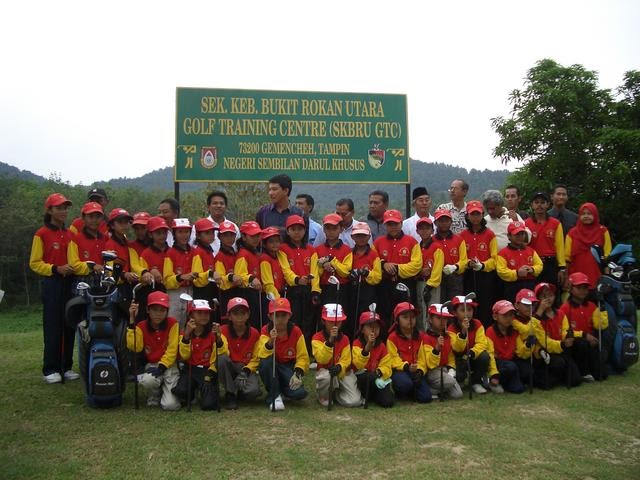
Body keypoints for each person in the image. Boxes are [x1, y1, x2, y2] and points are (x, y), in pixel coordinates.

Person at [29, 193, 79, 384]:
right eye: (59, 208)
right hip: (52, 282)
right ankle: (50, 368)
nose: (63, 211)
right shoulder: (41, 234)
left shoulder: (70, 234)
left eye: (65, 208)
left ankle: (66, 367)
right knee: (53, 326)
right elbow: (34, 263)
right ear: (49, 210)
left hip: (70, 282)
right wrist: (55, 269)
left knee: (69, 324)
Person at [127, 291, 180, 410]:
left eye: (162, 310)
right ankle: (154, 394)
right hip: (152, 364)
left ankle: (165, 390)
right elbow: (135, 347)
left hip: (169, 365)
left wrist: (162, 367)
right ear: (147, 310)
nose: (158, 314)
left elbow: (172, 350)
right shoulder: (140, 326)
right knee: (147, 381)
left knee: (170, 406)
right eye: (155, 310)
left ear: (167, 311)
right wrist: (132, 320)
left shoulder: (173, 323)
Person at [173, 298, 227, 411]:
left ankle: (203, 392)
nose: (204, 316)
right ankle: (192, 393)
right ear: (191, 315)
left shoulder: (214, 331)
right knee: (181, 391)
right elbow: (184, 356)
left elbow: (223, 353)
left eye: (206, 313)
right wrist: (187, 336)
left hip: (207, 370)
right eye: (199, 313)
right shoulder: (184, 333)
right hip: (190, 369)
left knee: (208, 405)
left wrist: (218, 338)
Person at [257, 297, 309, 411]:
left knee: (299, 394)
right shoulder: (266, 330)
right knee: (266, 363)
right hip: (272, 366)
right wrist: (271, 340)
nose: (280, 319)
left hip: (287, 367)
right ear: (270, 317)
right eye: (276, 315)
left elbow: (303, 357)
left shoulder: (296, 331)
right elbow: (261, 355)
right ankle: (274, 396)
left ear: (289, 315)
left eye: (283, 315)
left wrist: (298, 372)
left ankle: (279, 390)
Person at [279, 215, 320, 353]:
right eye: (293, 229)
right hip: (292, 290)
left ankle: (306, 351)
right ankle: (292, 349)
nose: (297, 232)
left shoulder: (310, 249)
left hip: (308, 290)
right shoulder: (282, 249)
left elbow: (314, 271)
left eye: (300, 229)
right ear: (288, 231)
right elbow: (285, 270)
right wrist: (296, 279)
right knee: (293, 320)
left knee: (308, 321)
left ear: (305, 231)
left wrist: (315, 291)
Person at [374, 209, 422, 326]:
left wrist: (396, 268)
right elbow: (372, 262)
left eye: (396, 223)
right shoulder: (378, 242)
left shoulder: (411, 242)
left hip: (406, 284)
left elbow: (416, 265)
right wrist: (383, 264)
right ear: (385, 225)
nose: (393, 227)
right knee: (385, 317)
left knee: (405, 316)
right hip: (384, 285)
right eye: (390, 224)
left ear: (401, 223)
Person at [558, 272, 609, 382]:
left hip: (592, 342)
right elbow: (563, 330)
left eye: (585, 287)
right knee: (581, 344)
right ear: (571, 289)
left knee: (602, 375)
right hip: (575, 344)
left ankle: (591, 369)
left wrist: (603, 308)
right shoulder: (565, 308)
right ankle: (583, 372)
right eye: (579, 287)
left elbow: (601, 326)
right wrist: (585, 336)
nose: (583, 290)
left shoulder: (592, 305)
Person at [533, 282, 582, 388]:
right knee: (557, 366)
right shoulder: (535, 318)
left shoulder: (560, 313)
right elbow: (543, 341)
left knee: (575, 380)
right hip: (545, 353)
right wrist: (540, 310)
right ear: (538, 299)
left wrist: (568, 339)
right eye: (544, 296)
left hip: (561, 349)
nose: (548, 299)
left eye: (550, 295)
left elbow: (565, 331)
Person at [312, 303, 361, 407]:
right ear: (323, 321)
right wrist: (329, 342)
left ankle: (335, 394)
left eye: (338, 322)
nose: (335, 325)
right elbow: (322, 359)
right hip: (325, 371)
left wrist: (340, 367)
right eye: (331, 322)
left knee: (354, 401)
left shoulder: (345, 339)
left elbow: (346, 359)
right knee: (326, 377)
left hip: (342, 373)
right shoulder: (316, 337)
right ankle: (323, 395)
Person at [219, 297, 262, 410]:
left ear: (248, 315)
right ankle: (230, 394)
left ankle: (241, 392)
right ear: (229, 316)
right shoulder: (222, 330)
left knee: (254, 392)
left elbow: (256, 357)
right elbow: (223, 351)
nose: (240, 316)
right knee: (221, 359)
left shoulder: (254, 333)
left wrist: (246, 370)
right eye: (235, 313)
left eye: (243, 313)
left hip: (245, 367)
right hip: (229, 365)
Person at [460, 200, 498, 328]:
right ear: (467, 216)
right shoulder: (463, 235)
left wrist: (482, 265)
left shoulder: (490, 235)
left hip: (486, 275)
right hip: (468, 275)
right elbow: (461, 258)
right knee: (469, 306)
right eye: (472, 214)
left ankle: (486, 334)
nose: (475, 217)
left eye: (478, 214)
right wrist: (467, 263)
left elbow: (494, 259)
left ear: (482, 215)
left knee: (486, 306)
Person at [387, 302, 432, 403]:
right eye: (405, 317)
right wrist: (406, 366)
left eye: (413, 317)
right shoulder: (392, 337)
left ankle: (412, 391)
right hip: (400, 371)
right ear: (397, 320)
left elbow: (423, 358)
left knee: (426, 398)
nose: (410, 320)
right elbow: (393, 359)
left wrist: (420, 371)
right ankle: (401, 391)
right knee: (404, 384)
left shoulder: (422, 336)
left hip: (416, 371)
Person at [448, 295, 491, 394]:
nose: (467, 313)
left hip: (472, 356)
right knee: (459, 376)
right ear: (455, 313)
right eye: (463, 310)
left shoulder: (478, 324)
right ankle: (460, 380)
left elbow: (482, 343)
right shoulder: (451, 328)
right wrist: (463, 333)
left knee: (484, 357)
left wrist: (471, 353)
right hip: (458, 359)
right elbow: (457, 349)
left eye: (470, 310)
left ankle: (476, 382)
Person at [346, 222, 382, 339]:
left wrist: (366, 273)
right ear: (352, 237)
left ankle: (367, 345)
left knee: (368, 319)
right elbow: (344, 270)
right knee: (351, 319)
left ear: (369, 236)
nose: (361, 238)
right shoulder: (349, 253)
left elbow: (377, 277)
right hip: (352, 290)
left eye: (363, 235)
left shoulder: (373, 254)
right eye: (358, 236)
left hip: (368, 291)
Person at [352, 311, 394, 408]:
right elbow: (358, 365)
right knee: (367, 377)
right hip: (361, 377)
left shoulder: (382, 346)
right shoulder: (356, 343)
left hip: (377, 377)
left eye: (377, 327)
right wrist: (366, 349)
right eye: (370, 326)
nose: (374, 330)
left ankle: (373, 395)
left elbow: (387, 366)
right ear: (362, 329)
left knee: (388, 402)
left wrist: (379, 372)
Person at [485, 300, 529, 394]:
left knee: (524, 377)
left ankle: (504, 382)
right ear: (495, 316)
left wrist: (528, 345)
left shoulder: (514, 331)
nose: (509, 318)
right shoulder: (490, 331)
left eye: (511, 315)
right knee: (511, 367)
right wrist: (494, 374)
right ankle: (492, 380)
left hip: (510, 362)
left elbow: (521, 352)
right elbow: (490, 354)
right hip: (496, 363)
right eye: (505, 315)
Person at [525, 191, 566, 289]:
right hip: (532, 264)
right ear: (532, 205)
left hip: (550, 265)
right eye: (536, 202)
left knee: (551, 293)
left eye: (543, 202)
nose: (539, 205)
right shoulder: (526, 223)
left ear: (548, 204)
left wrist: (562, 268)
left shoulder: (556, 223)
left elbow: (560, 247)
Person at [565, 203, 612, 290]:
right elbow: (567, 257)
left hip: (597, 273)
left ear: (595, 215)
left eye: (589, 213)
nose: (586, 216)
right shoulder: (572, 233)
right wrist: (566, 276)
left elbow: (607, 253)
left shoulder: (602, 231)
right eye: (583, 214)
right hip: (576, 272)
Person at [423, 304, 463, 400]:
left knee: (458, 394)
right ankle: (429, 388)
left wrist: (451, 369)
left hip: (445, 370)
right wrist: (436, 349)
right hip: (432, 371)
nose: (442, 321)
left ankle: (434, 390)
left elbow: (452, 355)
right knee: (451, 381)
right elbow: (430, 364)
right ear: (430, 320)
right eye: (438, 317)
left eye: (445, 318)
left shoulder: (449, 336)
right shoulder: (426, 338)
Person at [496, 221, 543, 302]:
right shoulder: (502, 253)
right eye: (516, 234)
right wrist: (517, 273)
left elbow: (539, 265)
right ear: (509, 236)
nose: (520, 236)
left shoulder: (531, 251)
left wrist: (532, 269)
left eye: (522, 234)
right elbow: (501, 271)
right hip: (512, 287)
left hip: (529, 285)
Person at [163, 218, 197, 328]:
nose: (184, 235)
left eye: (186, 232)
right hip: (175, 292)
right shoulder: (170, 253)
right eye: (180, 232)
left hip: (191, 290)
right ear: (174, 233)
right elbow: (167, 280)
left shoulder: (194, 251)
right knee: (174, 322)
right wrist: (181, 277)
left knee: (190, 321)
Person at [234, 221, 266, 329]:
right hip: (247, 294)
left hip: (256, 294)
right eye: (252, 236)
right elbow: (239, 276)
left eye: (258, 235)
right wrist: (251, 278)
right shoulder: (243, 254)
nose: (256, 238)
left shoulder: (254, 252)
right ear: (243, 236)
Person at [315, 213, 352, 306]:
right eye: (327, 228)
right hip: (323, 287)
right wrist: (322, 265)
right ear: (323, 229)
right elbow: (315, 272)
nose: (331, 231)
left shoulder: (347, 250)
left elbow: (346, 271)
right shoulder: (318, 249)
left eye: (334, 228)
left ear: (341, 229)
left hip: (341, 288)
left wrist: (332, 261)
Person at [67, 202, 108, 282]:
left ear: (102, 218)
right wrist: (91, 266)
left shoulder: (106, 239)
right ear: (83, 218)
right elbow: (73, 265)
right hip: (82, 281)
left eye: (98, 217)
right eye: (90, 216)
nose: (94, 220)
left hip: (103, 280)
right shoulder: (76, 239)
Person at [433, 208, 467, 303]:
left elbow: (464, 261)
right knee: (439, 307)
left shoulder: (459, 240)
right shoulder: (431, 241)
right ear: (435, 223)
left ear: (451, 222)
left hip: (455, 278)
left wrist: (455, 267)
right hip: (437, 278)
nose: (444, 223)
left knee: (455, 307)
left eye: (446, 220)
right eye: (441, 221)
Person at [415, 217, 444, 329]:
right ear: (417, 231)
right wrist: (419, 273)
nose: (424, 231)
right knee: (421, 310)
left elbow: (437, 271)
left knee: (432, 311)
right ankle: (423, 336)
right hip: (419, 282)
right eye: (421, 229)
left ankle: (432, 336)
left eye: (427, 228)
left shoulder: (437, 247)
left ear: (432, 230)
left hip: (432, 286)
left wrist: (430, 286)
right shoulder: (417, 247)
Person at [191, 191, 240, 255]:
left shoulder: (233, 226)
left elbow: (237, 249)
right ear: (208, 207)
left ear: (226, 207)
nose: (218, 206)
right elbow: (192, 247)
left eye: (221, 203)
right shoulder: (199, 226)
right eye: (215, 203)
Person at [214, 220, 244, 320]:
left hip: (237, 292)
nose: (229, 238)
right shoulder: (219, 257)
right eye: (225, 235)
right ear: (219, 237)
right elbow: (220, 282)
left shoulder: (235, 253)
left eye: (231, 235)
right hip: (226, 295)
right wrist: (231, 277)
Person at [191, 218, 219, 306]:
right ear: (198, 236)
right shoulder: (198, 252)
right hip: (201, 292)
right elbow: (196, 278)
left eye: (212, 232)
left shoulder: (209, 251)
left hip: (209, 290)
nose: (211, 235)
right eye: (207, 233)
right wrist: (210, 274)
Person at [259, 226, 286, 299]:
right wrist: (277, 299)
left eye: (277, 241)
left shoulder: (280, 255)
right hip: (271, 296)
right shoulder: (265, 259)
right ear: (264, 244)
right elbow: (268, 283)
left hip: (280, 292)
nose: (275, 244)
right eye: (271, 242)